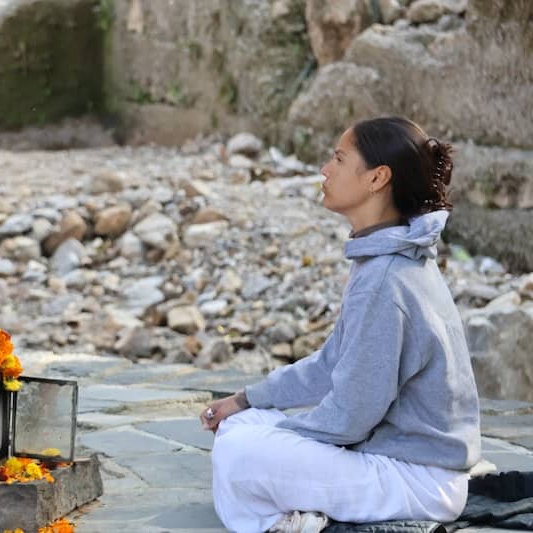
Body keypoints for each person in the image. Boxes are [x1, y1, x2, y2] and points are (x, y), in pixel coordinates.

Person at [202, 117, 481, 533]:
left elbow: (352, 415)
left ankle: (297, 523)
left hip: (419, 479)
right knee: (240, 425)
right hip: (393, 457)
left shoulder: (386, 279)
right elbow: (332, 362)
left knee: (240, 456)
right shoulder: (387, 261)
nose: (324, 170)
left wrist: (286, 434)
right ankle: (298, 512)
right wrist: (246, 400)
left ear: (377, 177)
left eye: (338, 158)